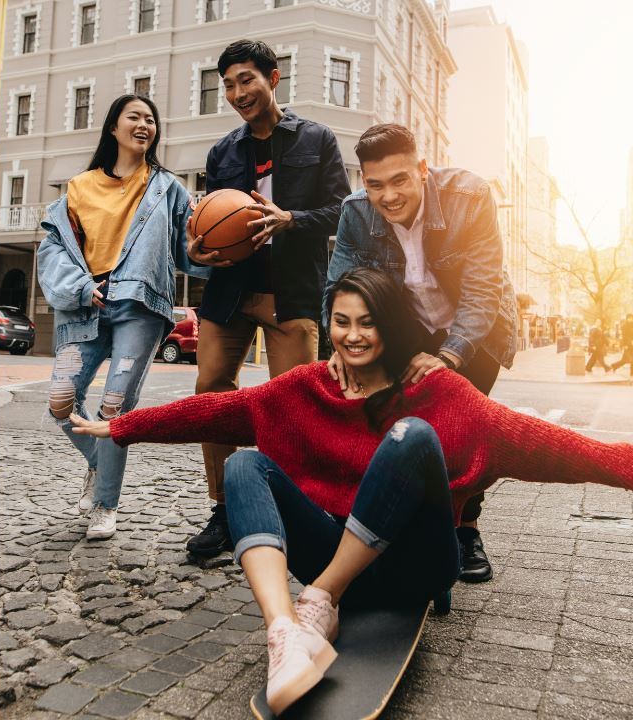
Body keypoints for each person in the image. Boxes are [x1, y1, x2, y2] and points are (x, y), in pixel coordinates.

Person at [72, 267, 633, 714]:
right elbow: (219, 410)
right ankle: (285, 631)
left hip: (417, 564)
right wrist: (124, 426)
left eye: (368, 322)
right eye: (341, 322)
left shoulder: (437, 391)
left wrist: (625, 464)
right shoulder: (306, 389)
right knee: (245, 467)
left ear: (389, 326)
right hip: (335, 550)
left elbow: (545, 442)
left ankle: (320, 598)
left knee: (411, 436)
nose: (354, 335)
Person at [327, 123, 519, 584]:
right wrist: (335, 349)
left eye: (400, 180)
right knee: (398, 425)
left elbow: (481, 290)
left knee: (462, 432)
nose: (388, 196)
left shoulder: (469, 196)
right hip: (410, 327)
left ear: (423, 170)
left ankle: (465, 531)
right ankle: (396, 525)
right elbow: (339, 285)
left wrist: (450, 355)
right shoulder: (355, 212)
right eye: (375, 184)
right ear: (363, 179)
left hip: (477, 328)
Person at [185, 39, 351, 561]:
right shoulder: (223, 151)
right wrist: (199, 249)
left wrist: (291, 220)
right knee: (211, 394)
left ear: (272, 79)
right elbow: (215, 218)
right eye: (229, 84)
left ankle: (286, 508)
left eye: (246, 80)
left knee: (290, 407)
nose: (237, 93)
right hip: (230, 291)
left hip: (293, 292)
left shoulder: (317, 139)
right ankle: (225, 509)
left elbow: (344, 211)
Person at [36, 94, 210, 540]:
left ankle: (105, 504)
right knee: (60, 400)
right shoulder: (78, 188)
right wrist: (78, 287)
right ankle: (100, 464)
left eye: (151, 119)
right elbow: (54, 250)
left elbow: (186, 248)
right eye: (134, 117)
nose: (144, 125)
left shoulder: (167, 187)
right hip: (85, 307)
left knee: (114, 406)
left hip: (141, 305)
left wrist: (207, 251)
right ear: (113, 127)